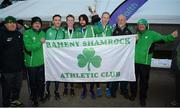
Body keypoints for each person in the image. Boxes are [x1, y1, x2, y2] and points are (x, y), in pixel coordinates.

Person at [131, 18, 178, 106]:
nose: (141, 26)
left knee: (143, 82)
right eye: (139, 24)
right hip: (134, 62)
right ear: (137, 26)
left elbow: (163, 38)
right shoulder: (135, 35)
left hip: (145, 63)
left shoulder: (151, 34)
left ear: (146, 25)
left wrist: (171, 36)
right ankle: (133, 95)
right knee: (133, 80)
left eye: (143, 24)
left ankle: (142, 98)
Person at [0, 16, 24, 107]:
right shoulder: (1, 34)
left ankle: (15, 99)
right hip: (6, 69)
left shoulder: (18, 34)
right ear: (5, 24)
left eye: (14, 23)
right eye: (10, 23)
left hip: (18, 67)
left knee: (17, 86)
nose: (12, 24)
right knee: (6, 88)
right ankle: (6, 104)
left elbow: (22, 48)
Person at [23, 16, 46, 107]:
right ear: (32, 24)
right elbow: (28, 47)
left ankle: (41, 95)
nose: (37, 24)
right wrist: (39, 42)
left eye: (39, 23)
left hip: (42, 62)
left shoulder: (43, 33)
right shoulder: (27, 33)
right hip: (32, 64)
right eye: (35, 23)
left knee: (41, 81)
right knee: (33, 83)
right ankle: (34, 97)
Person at [110, 14, 133, 98]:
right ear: (117, 20)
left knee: (125, 74)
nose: (120, 21)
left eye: (122, 19)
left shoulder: (130, 30)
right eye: (119, 19)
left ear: (125, 21)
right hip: (116, 57)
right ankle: (113, 90)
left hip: (126, 57)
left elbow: (133, 42)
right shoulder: (113, 30)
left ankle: (124, 90)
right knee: (116, 73)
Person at [91, 12, 113, 97]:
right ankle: (98, 87)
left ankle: (107, 88)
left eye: (107, 18)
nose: (105, 19)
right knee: (98, 70)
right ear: (101, 18)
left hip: (108, 53)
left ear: (109, 19)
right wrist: (97, 20)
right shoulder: (96, 26)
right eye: (104, 17)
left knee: (107, 70)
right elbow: (98, 30)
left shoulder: (111, 27)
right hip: (98, 52)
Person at [45, 14, 64, 100]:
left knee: (57, 75)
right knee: (48, 75)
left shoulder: (63, 31)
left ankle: (56, 91)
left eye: (59, 20)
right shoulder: (48, 31)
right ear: (53, 21)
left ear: (61, 21)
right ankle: (47, 92)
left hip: (58, 58)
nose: (57, 22)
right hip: (49, 58)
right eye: (55, 20)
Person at [77, 14, 96, 99]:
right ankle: (84, 89)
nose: (82, 21)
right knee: (83, 74)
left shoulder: (91, 28)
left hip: (92, 54)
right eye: (80, 20)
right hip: (82, 56)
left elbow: (100, 28)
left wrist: (95, 15)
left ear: (86, 20)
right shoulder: (77, 30)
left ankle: (91, 89)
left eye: (83, 20)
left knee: (92, 74)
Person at [62, 14, 80, 96]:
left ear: (74, 21)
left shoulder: (77, 32)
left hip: (74, 56)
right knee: (65, 72)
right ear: (66, 21)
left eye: (71, 20)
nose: (70, 22)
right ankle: (65, 88)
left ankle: (72, 88)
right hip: (65, 56)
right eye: (68, 20)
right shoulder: (62, 31)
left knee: (72, 72)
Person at [170, 32, 180, 106]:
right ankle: (177, 100)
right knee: (178, 85)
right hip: (178, 67)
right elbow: (175, 55)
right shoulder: (178, 42)